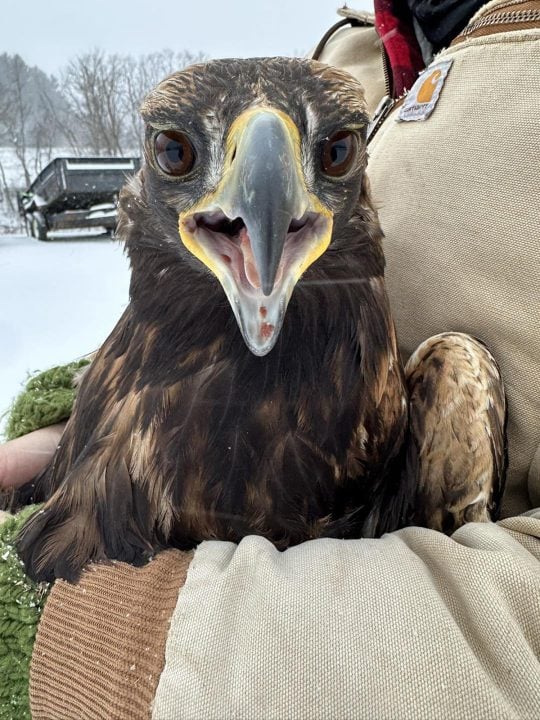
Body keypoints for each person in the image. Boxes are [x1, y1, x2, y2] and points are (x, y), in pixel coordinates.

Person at [1, 1, 539, 717]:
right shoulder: (359, 44)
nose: (263, 193)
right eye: (179, 155)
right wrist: (76, 413)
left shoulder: (447, 402)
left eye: (337, 153)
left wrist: (85, 639)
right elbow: (218, 296)